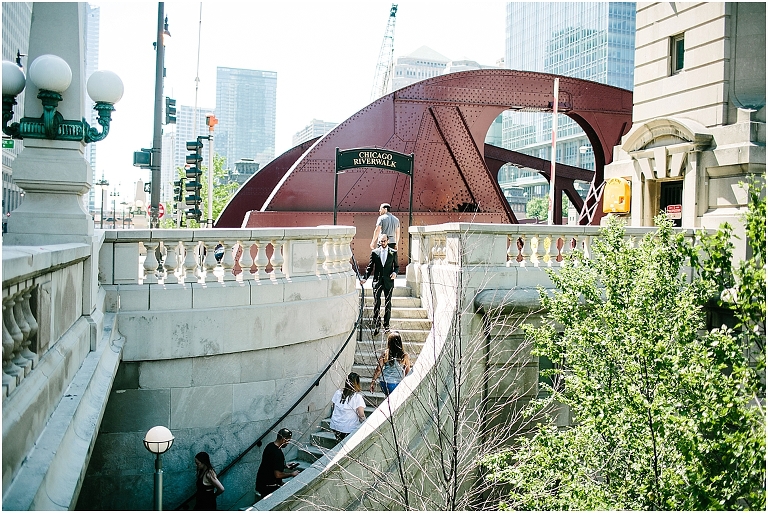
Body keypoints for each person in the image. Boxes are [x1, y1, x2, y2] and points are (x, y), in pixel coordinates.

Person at [360, 233, 399, 335]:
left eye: (384, 241)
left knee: (387, 303)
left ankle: (386, 326)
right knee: (376, 303)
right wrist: (365, 278)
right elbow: (370, 267)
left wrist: (395, 273)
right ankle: (377, 325)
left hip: (388, 281)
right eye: (381, 241)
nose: (383, 243)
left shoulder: (393, 252)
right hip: (377, 282)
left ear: (388, 241)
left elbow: (397, 266)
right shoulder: (375, 252)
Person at [255, 428, 299, 499]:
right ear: (284, 440)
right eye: (288, 441)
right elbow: (278, 475)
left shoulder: (270, 446)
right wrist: (291, 474)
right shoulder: (277, 453)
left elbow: (270, 463)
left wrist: (284, 466)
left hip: (261, 483)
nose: (288, 443)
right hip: (269, 487)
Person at [370, 331, 411, 395]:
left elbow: (378, 369)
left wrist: (373, 382)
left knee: (388, 399)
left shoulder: (385, 354)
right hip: (395, 383)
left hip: (384, 382)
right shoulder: (404, 356)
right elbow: (407, 372)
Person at [330, 372, 366, 442]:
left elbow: (333, 408)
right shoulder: (357, 397)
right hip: (348, 427)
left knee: (340, 443)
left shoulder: (338, 393)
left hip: (335, 424)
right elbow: (361, 415)